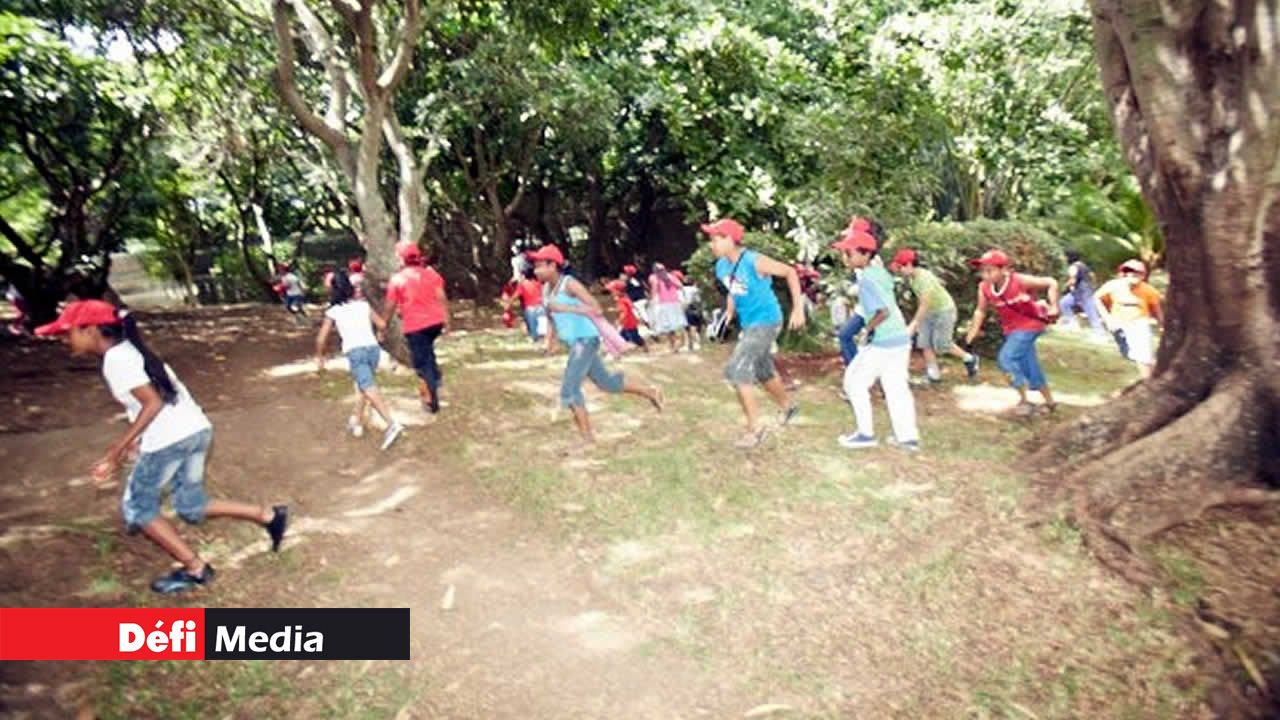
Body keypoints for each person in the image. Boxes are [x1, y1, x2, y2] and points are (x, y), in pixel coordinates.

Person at [34, 301, 288, 593]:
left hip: (172, 440)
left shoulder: (117, 360)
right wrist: (139, 442)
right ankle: (269, 515)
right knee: (190, 506)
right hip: (195, 430)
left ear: (91, 330)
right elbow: (156, 401)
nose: (65, 340)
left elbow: (152, 401)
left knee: (138, 508)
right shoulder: (131, 351)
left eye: (68, 333)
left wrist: (115, 452)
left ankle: (196, 569)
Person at [531, 245, 663, 445]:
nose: (536, 270)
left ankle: (587, 439)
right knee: (607, 384)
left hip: (586, 340)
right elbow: (551, 316)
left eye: (540, 266)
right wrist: (551, 341)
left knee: (570, 388)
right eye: (535, 266)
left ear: (553, 266)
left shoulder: (570, 284)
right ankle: (650, 392)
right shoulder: (546, 289)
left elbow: (596, 308)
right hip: (575, 342)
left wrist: (566, 307)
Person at [704, 218, 805, 449]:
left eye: (716, 239)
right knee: (763, 370)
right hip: (749, 324)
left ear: (731, 240)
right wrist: (728, 313)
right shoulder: (721, 266)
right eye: (711, 239)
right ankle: (788, 407)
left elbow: (790, 272)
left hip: (767, 320)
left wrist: (798, 308)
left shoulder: (754, 261)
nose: (712, 244)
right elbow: (733, 289)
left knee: (738, 369)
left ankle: (755, 430)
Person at [833, 227, 921, 451]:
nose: (846, 257)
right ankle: (907, 438)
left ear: (865, 255)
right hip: (900, 338)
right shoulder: (880, 272)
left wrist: (866, 331)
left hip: (884, 341)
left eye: (849, 253)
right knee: (896, 388)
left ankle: (865, 434)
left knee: (853, 382)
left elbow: (882, 312)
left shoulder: (866, 281)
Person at [963, 249, 1061, 415]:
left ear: (1004, 270)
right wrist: (973, 330)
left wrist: (1054, 306)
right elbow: (980, 310)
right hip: (1011, 329)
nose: (985, 275)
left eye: (990, 270)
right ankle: (1050, 402)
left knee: (1005, 359)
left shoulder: (1019, 281)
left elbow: (1051, 282)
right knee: (1028, 364)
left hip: (1031, 325)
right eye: (983, 271)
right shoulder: (984, 287)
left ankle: (1025, 400)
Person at [315, 270, 405, 450]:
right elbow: (381, 324)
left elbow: (321, 338)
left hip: (355, 352)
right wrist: (376, 333)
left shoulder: (333, 311)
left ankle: (391, 423)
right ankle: (356, 419)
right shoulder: (363, 306)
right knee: (363, 386)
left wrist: (320, 357)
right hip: (372, 350)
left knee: (368, 387)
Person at [888, 248, 980, 383]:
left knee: (942, 344)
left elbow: (925, 303)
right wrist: (919, 321)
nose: (899, 270)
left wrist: (914, 324)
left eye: (900, 267)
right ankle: (933, 374)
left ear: (909, 265)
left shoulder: (924, 278)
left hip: (944, 311)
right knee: (924, 342)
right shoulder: (912, 278)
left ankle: (969, 359)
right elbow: (921, 301)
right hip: (928, 312)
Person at [384, 242, 450, 414]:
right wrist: (447, 320)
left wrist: (384, 324)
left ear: (401, 258)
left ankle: (431, 400)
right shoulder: (431, 275)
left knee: (422, 363)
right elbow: (441, 297)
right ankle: (435, 377)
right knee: (428, 351)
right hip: (435, 322)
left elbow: (390, 306)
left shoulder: (397, 279)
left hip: (416, 326)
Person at [1094, 259, 1164, 379]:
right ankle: (1151, 375)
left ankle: (1147, 380)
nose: (1131, 275)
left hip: (1139, 324)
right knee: (1130, 354)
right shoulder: (1113, 286)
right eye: (1128, 272)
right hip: (1119, 325)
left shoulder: (1149, 291)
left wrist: (1162, 325)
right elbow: (1096, 298)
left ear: (1143, 275)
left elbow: (1157, 310)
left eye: (1136, 273)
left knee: (1143, 356)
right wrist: (1107, 317)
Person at [1058, 250, 1105, 337]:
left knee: (1091, 312)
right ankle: (1072, 323)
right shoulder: (1083, 265)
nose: (1063, 258)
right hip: (1084, 291)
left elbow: (1073, 280)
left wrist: (1063, 287)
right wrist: (1092, 286)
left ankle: (1100, 333)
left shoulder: (1073, 267)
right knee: (1064, 303)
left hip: (1082, 293)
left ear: (1069, 257)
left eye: (1064, 256)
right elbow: (1092, 275)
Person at [648, 263, 688, 352]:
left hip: (666, 304)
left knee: (670, 326)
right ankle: (677, 344)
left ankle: (675, 344)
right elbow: (680, 286)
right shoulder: (666, 277)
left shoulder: (656, 278)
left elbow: (654, 291)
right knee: (674, 325)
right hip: (671, 303)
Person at [607, 280, 649, 353]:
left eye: (612, 291)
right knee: (622, 336)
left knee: (634, 337)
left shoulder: (621, 300)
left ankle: (644, 346)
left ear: (618, 291)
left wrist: (619, 321)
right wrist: (615, 310)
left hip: (629, 323)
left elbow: (624, 312)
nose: (612, 293)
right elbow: (625, 309)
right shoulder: (624, 298)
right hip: (629, 322)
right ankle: (619, 349)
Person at [674, 270, 704, 351]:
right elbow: (698, 300)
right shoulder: (695, 289)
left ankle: (687, 345)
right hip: (693, 309)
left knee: (685, 329)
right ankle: (695, 344)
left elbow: (678, 301)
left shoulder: (679, 291)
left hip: (683, 310)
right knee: (693, 327)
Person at [514, 268, 546, 342]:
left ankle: (534, 340)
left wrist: (508, 303)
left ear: (525, 275)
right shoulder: (539, 283)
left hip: (530, 309)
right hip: (541, 307)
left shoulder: (522, 284)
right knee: (542, 331)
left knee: (533, 332)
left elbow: (516, 295)